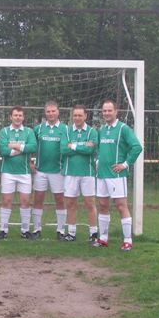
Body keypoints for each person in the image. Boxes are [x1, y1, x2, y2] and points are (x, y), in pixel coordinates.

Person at [93, 99, 143, 251]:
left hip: (116, 175)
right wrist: (97, 160)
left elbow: (136, 147)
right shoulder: (102, 129)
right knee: (102, 205)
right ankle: (103, 239)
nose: (106, 113)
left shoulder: (123, 128)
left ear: (116, 111)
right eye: (104, 111)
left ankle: (127, 240)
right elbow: (99, 149)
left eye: (109, 110)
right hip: (101, 175)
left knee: (121, 206)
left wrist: (125, 164)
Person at [0, 106, 37, 239]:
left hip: (25, 172)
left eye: (20, 115)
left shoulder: (29, 131)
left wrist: (14, 146)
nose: (18, 117)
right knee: (6, 200)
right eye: (15, 115)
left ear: (23, 117)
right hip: (8, 172)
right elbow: (3, 151)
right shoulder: (4, 131)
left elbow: (33, 147)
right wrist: (22, 149)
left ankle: (25, 230)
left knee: (25, 201)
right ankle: (3, 230)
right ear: (11, 117)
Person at [60, 105, 98, 242]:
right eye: (75, 115)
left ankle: (93, 233)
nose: (77, 118)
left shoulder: (92, 132)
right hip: (70, 173)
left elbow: (90, 150)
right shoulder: (67, 131)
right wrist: (82, 146)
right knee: (70, 203)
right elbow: (63, 150)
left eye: (79, 115)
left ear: (85, 116)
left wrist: (73, 146)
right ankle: (71, 233)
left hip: (87, 173)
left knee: (90, 203)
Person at [32, 101, 68, 239]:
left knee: (59, 199)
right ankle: (36, 229)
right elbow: (30, 145)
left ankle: (60, 230)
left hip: (58, 170)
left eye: (53, 111)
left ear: (58, 112)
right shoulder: (38, 129)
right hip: (40, 170)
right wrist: (31, 162)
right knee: (38, 199)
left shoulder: (65, 129)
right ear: (45, 113)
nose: (51, 114)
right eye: (48, 111)